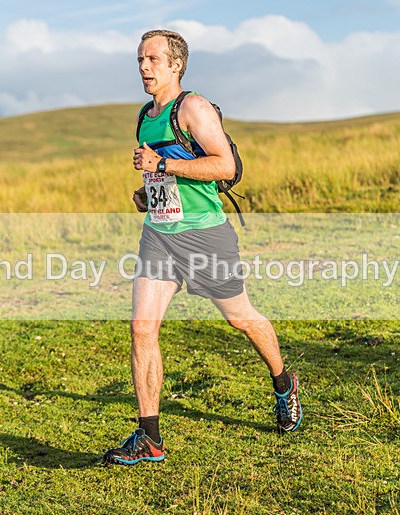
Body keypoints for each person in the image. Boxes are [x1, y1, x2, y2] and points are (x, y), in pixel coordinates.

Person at [103, 29, 301, 466]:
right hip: (159, 234)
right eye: (140, 59)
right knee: (141, 329)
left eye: (153, 59)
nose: (144, 67)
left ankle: (284, 383)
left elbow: (223, 164)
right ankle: (150, 437)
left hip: (205, 236)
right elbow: (164, 174)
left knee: (242, 320)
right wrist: (147, 190)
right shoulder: (145, 115)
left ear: (176, 65)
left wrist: (162, 164)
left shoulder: (193, 107)